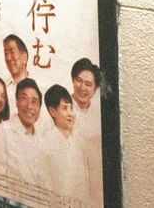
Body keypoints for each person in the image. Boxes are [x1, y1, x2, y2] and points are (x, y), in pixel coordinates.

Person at [0, 79, 46, 196]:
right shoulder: (4, 131)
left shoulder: (42, 140)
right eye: (24, 98)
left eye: (34, 101)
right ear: (17, 102)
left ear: (40, 107)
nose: (30, 106)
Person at [41, 84, 94, 203]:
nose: (70, 114)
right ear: (53, 111)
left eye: (71, 108)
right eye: (65, 108)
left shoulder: (77, 142)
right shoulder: (46, 143)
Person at [71, 58, 104, 204]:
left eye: (88, 84)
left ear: (95, 89)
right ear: (73, 80)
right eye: (78, 80)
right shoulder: (61, 109)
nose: (82, 87)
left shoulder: (97, 116)